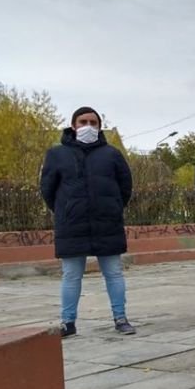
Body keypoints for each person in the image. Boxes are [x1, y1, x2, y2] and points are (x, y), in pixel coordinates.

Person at [40, 106, 135, 337]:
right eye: (83, 122)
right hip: (72, 225)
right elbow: (48, 190)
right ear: (73, 125)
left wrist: (111, 208)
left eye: (93, 122)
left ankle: (120, 318)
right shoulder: (57, 154)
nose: (88, 126)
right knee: (71, 275)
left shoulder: (112, 154)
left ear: (100, 126)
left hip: (107, 223)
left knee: (113, 272)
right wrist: (65, 210)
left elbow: (125, 187)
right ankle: (68, 322)